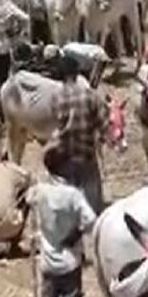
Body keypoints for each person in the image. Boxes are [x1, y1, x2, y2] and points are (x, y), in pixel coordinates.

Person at [26, 145, 98, 297]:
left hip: (47, 263)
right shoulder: (73, 195)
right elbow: (91, 220)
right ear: (65, 167)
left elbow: (27, 199)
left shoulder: (40, 191)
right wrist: (75, 234)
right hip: (70, 263)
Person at [52, 53, 108, 213]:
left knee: (70, 203)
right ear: (77, 73)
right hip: (86, 154)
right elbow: (103, 123)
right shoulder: (89, 95)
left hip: (65, 156)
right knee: (93, 205)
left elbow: (55, 126)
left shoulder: (55, 98)